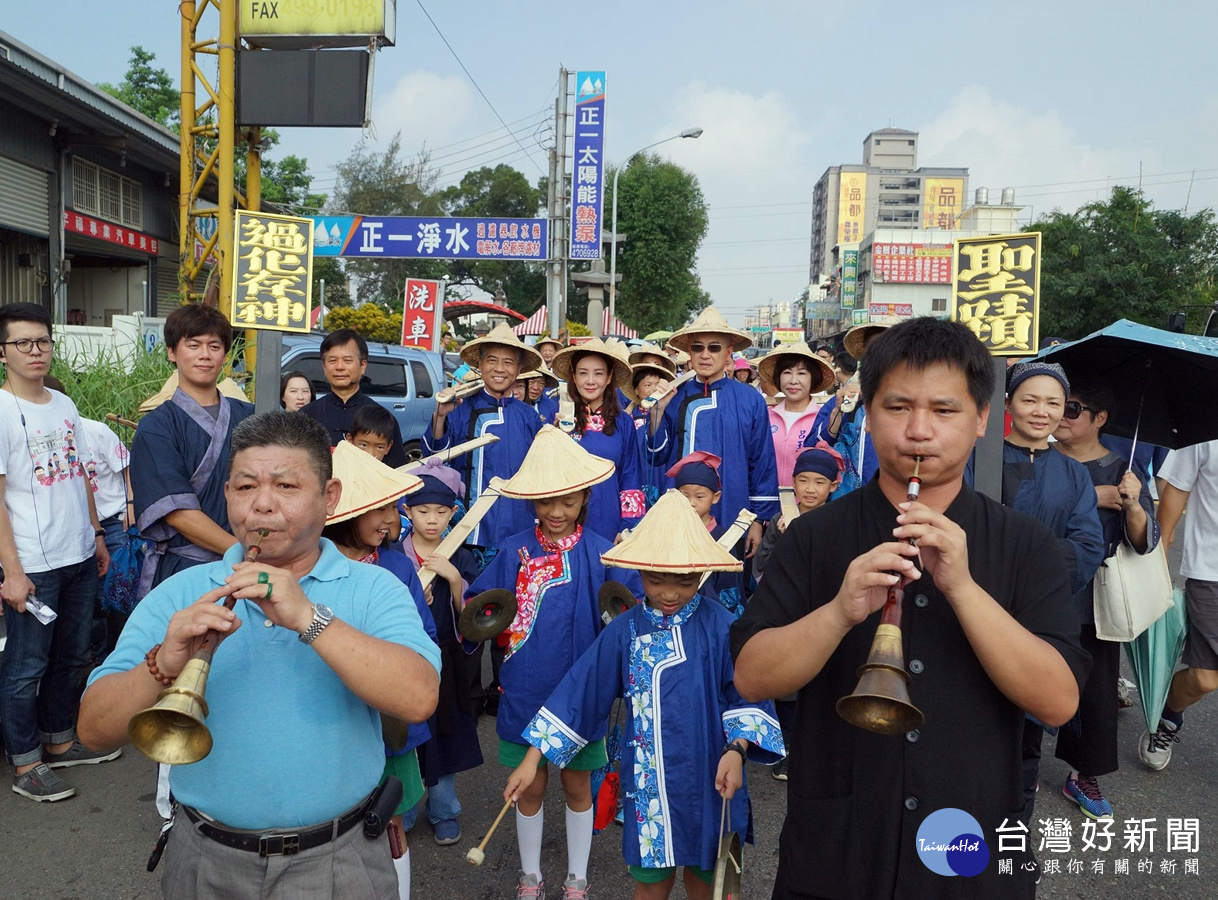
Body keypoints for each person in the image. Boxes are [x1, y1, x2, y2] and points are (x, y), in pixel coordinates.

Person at [730, 316, 1090, 899]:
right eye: (898, 408)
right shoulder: (814, 537)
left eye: (944, 411)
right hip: (838, 848)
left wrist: (965, 589)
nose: (919, 431)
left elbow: (1056, 700)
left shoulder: (1026, 545)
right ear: (868, 416)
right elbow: (752, 677)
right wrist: (840, 611)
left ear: (980, 421)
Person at [80, 412, 442, 900]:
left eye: (287, 486)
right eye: (245, 487)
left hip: (340, 860)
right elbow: (94, 731)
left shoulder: (375, 587)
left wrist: (309, 618)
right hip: (204, 859)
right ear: (226, 494)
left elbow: (418, 698)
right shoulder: (180, 593)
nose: (263, 506)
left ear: (330, 498)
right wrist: (164, 663)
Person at [505, 491, 785, 900]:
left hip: (712, 776)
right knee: (650, 885)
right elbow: (581, 691)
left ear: (702, 571)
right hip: (649, 784)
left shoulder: (723, 626)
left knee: (710, 880)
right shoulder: (625, 630)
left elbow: (749, 691)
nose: (669, 593)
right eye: (654, 580)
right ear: (638, 572)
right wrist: (532, 760)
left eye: (684, 580)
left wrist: (737, 750)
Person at [463, 425, 641, 900]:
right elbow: (482, 609)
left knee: (578, 785)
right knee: (529, 788)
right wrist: (459, 597)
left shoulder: (604, 550)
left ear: (585, 497)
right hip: (524, 685)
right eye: (545, 502)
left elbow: (631, 609)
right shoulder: (512, 548)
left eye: (568, 500)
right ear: (531, 503)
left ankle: (577, 878)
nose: (556, 512)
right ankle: (530, 876)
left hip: (584, 689)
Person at [0, 302, 116, 802]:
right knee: (27, 666)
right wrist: (11, 571)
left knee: (74, 656)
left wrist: (96, 535)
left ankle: (59, 740)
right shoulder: (3, 410)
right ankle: (26, 763)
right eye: (22, 343)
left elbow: (82, 475)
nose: (35, 351)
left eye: (42, 341)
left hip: (77, 555)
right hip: (32, 564)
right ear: (2, 352)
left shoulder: (64, 406)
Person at [322, 441, 434, 900]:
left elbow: (423, 636)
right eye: (380, 509)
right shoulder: (314, 568)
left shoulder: (397, 566)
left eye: (391, 507)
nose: (392, 519)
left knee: (389, 822)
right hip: (334, 716)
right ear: (347, 513)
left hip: (389, 719)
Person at [1051, 377, 1157, 819]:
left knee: (1094, 686)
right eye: (1058, 405)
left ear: (1100, 419)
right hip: (1036, 583)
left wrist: (1132, 505)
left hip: (1095, 593)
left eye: (1071, 409)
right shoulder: (1037, 458)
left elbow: (1142, 541)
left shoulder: (1122, 470)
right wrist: (1093, 497)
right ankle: (1007, 761)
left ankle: (1084, 774)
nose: (1059, 416)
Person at [130, 304, 255, 597]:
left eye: (214, 345)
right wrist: (242, 554)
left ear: (225, 354)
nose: (205, 354)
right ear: (172, 352)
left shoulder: (251, 416)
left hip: (251, 562)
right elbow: (178, 514)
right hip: (187, 569)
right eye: (194, 344)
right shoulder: (157, 427)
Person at [647, 308, 780, 558]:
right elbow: (656, 456)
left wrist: (758, 519)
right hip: (679, 515)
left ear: (729, 351)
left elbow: (762, 463)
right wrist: (656, 412)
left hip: (733, 511)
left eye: (714, 347)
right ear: (689, 350)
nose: (705, 355)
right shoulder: (674, 397)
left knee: (726, 589)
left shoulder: (750, 399)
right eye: (698, 347)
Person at [398, 463, 484, 847]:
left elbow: (478, 618)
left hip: (447, 658)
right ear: (407, 511)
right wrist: (413, 599)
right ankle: (403, 808)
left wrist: (453, 580)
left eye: (441, 511)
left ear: (454, 513)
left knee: (445, 735)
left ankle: (444, 809)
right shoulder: (396, 558)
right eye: (422, 511)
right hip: (404, 659)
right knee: (404, 734)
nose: (431, 520)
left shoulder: (463, 558)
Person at [423, 323, 544, 551]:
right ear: (479, 365)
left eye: (508, 362)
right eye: (492, 360)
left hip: (519, 524)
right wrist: (440, 415)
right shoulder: (460, 407)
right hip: (468, 528)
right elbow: (435, 457)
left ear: (518, 370)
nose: (500, 369)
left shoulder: (530, 417)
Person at [1139, 438, 1218, 770]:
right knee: (1204, 678)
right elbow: (1173, 497)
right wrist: (1156, 569)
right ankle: (1169, 717)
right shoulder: (1204, 434)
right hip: (1210, 571)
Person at [550, 338, 647, 542]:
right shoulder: (557, 417)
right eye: (583, 373)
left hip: (608, 519)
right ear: (573, 376)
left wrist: (628, 525)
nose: (590, 381)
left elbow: (630, 475)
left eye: (599, 373)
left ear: (610, 376)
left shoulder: (623, 423)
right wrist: (555, 437)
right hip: (563, 519)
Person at [301, 329, 409, 468]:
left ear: (363, 365)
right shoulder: (305, 416)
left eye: (347, 360)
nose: (339, 367)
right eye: (332, 360)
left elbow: (395, 470)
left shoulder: (383, 418)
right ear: (324, 366)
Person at [753, 441, 844, 578]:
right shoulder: (780, 520)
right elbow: (761, 568)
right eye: (803, 480)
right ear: (793, 481)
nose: (810, 489)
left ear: (833, 486)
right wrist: (787, 539)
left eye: (819, 482)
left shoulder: (837, 522)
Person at [759, 342, 836, 486]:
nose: (793, 381)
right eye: (787, 373)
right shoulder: (765, 416)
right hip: (768, 504)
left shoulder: (824, 420)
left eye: (801, 373)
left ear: (813, 378)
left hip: (809, 505)